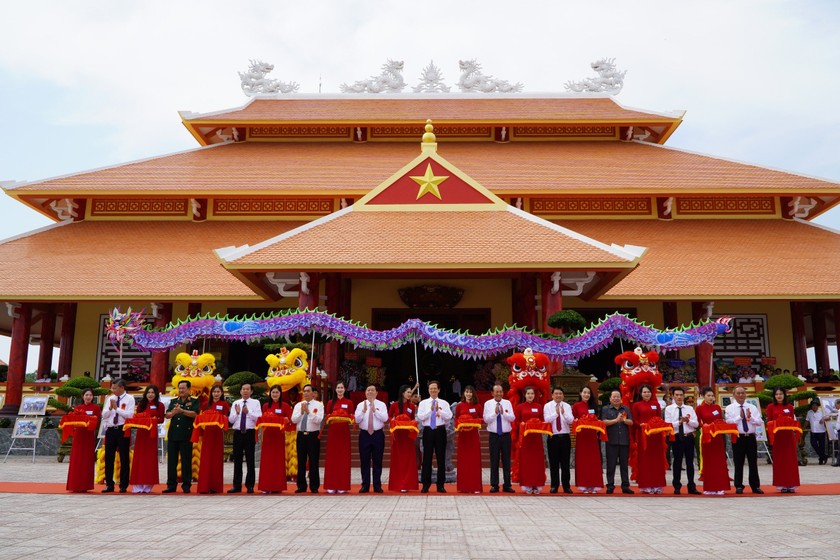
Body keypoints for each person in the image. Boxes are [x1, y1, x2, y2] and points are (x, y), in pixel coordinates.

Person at [724, 386, 764, 494]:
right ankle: (739, 485)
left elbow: (759, 422)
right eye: (738, 393)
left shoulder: (752, 407)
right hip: (738, 437)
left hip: (750, 436)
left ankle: (755, 486)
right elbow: (728, 422)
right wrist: (739, 417)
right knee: (738, 462)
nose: (741, 395)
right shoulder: (729, 408)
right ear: (734, 395)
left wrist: (750, 418)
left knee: (753, 462)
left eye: (743, 393)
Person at [163, 380, 200, 493]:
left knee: (186, 460)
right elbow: (167, 415)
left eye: (183, 388)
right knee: (172, 461)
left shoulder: (194, 401)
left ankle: (186, 484)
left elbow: (195, 414)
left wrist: (182, 411)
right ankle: (171, 485)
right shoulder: (174, 401)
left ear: (189, 389)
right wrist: (174, 412)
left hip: (186, 435)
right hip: (173, 435)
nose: (181, 390)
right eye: (180, 388)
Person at [629, 384, 667, 494]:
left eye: (648, 392)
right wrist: (641, 424)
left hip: (656, 436)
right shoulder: (637, 405)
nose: (647, 394)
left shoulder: (656, 404)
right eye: (644, 392)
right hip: (643, 435)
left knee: (657, 460)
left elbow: (659, 418)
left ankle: (657, 485)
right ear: (641, 394)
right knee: (645, 460)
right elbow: (635, 420)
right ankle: (646, 485)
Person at [417, 380, 453, 493]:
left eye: (435, 388)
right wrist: (430, 411)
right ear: (428, 390)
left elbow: (448, 417)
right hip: (428, 431)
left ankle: (440, 484)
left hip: (440, 430)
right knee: (426, 458)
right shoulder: (423, 403)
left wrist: (439, 411)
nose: (433, 390)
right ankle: (425, 484)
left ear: (439, 389)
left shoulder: (444, 403)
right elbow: (421, 417)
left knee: (441, 458)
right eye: (431, 388)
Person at [663, 386, 700, 495]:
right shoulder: (669, 409)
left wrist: (688, 421)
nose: (679, 397)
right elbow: (668, 425)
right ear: (673, 396)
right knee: (677, 462)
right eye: (677, 395)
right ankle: (677, 486)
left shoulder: (689, 408)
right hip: (677, 437)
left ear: (684, 396)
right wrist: (679, 422)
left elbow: (696, 424)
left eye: (681, 395)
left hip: (688, 436)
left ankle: (691, 486)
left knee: (690, 462)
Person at [101, 379, 135, 493]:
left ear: (121, 388)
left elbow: (129, 415)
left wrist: (117, 409)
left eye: (115, 388)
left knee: (124, 457)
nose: (113, 390)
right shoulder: (110, 398)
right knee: (109, 458)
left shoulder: (130, 399)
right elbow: (104, 415)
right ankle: (109, 484)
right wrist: (110, 408)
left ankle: (123, 485)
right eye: (112, 388)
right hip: (111, 429)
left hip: (122, 429)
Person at [226, 382, 261, 493]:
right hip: (238, 433)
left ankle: (250, 485)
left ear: (251, 391)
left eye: (247, 389)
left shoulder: (255, 403)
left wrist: (248, 412)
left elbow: (259, 418)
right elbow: (231, 420)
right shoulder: (236, 403)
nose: (245, 391)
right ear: (240, 391)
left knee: (250, 460)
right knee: (237, 460)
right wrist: (236, 413)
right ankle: (236, 485)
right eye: (243, 389)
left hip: (249, 433)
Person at [694, 386, 730, 495]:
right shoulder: (699, 408)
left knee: (719, 462)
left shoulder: (717, 407)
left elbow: (721, 420)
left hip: (718, 437)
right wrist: (705, 426)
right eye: (708, 395)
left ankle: (720, 486)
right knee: (709, 462)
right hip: (707, 437)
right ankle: (709, 487)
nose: (710, 398)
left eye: (712, 396)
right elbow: (697, 422)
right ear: (703, 396)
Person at [129, 384, 164, 493]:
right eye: (148, 392)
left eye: (152, 392)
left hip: (152, 435)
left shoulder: (160, 405)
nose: (150, 394)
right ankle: (138, 484)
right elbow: (137, 418)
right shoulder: (141, 405)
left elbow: (161, 419)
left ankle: (148, 484)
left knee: (150, 458)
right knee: (140, 458)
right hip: (141, 434)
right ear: (145, 394)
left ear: (156, 394)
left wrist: (153, 420)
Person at [65, 388, 101, 493]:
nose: (88, 397)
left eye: (90, 395)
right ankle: (74, 484)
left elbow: (96, 421)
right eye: (86, 395)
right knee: (77, 459)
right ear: (82, 396)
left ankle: (85, 485)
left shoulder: (96, 408)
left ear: (93, 397)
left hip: (89, 436)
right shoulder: (78, 408)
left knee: (86, 460)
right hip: (79, 436)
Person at [765, 387, 800, 493]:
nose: (779, 396)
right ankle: (782, 484)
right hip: (777, 436)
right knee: (780, 460)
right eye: (776, 394)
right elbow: (769, 422)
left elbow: (793, 420)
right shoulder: (770, 407)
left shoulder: (789, 407)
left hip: (788, 436)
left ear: (784, 395)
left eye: (780, 394)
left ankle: (791, 483)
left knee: (790, 459)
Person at [197, 383, 230, 494]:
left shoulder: (224, 405)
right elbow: (200, 418)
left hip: (217, 434)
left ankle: (215, 486)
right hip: (207, 434)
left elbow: (227, 419)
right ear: (211, 393)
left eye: (218, 392)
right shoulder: (205, 404)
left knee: (216, 460)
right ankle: (204, 486)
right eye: (214, 392)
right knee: (206, 459)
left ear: (221, 393)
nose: (216, 394)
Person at [291, 384, 324, 493]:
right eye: (304, 391)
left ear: (313, 393)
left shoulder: (318, 405)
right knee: (301, 461)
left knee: (313, 461)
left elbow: (318, 420)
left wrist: (309, 412)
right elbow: (294, 420)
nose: (305, 393)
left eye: (308, 391)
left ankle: (314, 486)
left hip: (313, 435)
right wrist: (301, 412)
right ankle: (301, 486)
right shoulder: (298, 405)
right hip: (301, 435)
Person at [355, 384, 388, 493]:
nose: (370, 392)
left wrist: (375, 410)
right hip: (364, 435)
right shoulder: (360, 405)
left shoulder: (381, 404)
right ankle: (365, 485)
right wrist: (363, 411)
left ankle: (377, 485)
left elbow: (385, 418)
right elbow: (357, 420)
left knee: (377, 460)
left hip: (377, 434)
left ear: (376, 393)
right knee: (364, 461)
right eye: (368, 390)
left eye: (372, 390)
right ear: (365, 392)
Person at [483, 383, 515, 493]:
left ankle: (507, 484)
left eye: (500, 391)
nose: (499, 393)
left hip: (506, 435)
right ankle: (494, 485)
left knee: (506, 460)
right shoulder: (488, 404)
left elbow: (512, 418)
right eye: (496, 391)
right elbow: (486, 419)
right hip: (494, 435)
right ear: (492, 393)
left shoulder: (507, 403)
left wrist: (503, 414)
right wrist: (494, 413)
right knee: (494, 460)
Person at [258, 385, 290, 493]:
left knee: (278, 461)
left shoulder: (285, 406)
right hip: (268, 436)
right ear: (270, 394)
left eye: (277, 392)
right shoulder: (266, 406)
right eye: (273, 392)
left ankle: (277, 486)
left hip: (279, 436)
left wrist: (284, 420)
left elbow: (289, 420)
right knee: (267, 461)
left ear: (280, 394)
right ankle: (265, 485)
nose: (275, 394)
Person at [571, 386, 603, 493]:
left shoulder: (594, 405)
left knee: (593, 460)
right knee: (583, 460)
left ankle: (594, 485)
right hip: (582, 436)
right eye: (584, 392)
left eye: (588, 393)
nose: (586, 395)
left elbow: (598, 419)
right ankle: (583, 485)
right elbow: (573, 420)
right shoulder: (576, 406)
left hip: (592, 436)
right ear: (580, 393)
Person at [514, 386, 546, 494]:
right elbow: (516, 422)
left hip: (536, 438)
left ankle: (536, 485)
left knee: (537, 461)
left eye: (532, 393)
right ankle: (527, 484)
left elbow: (542, 421)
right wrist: (523, 424)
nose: (530, 396)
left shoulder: (538, 407)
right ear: (525, 395)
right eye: (528, 394)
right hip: (525, 438)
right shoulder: (520, 407)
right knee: (526, 462)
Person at [602, 389, 634, 494]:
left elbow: (631, 422)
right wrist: (616, 420)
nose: (616, 399)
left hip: (624, 441)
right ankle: (610, 485)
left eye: (618, 397)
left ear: (621, 398)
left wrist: (624, 420)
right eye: (614, 397)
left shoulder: (626, 409)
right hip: (611, 441)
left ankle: (625, 486)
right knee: (611, 465)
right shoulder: (606, 409)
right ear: (610, 398)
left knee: (624, 465)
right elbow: (603, 422)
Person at [542, 387, 574, 494]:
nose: (558, 395)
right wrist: (556, 413)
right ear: (552, 395)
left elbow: (571, 421)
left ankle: (566, 486)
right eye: (556, 393)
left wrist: (564, 413)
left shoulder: (567, 406)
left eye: (560, 393)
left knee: (565, 463)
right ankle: (554, 485)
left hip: (565, 437)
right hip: (553, 437)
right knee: (554, 463)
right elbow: (546, 420)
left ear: (563, 395)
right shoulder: (548, 406)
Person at [388, 384, 419, 492]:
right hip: (398, 436)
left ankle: (407, 484)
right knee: (398, 460)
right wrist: (394, 421)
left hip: (408, 437)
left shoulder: (412, 407)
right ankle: (398, 484)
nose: (410, 394)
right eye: (408, 392)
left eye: (411, 392)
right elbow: (389, 417)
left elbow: (413, 419)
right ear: (402, 393)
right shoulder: (394, 405)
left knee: (408, 460)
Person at [324, 381, 353, 494]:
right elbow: (327, 416)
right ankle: (331, 484)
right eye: (338, 388)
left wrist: (347, 416)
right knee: (332, 458)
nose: (340, 390)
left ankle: (342, 485)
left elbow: (352, 415)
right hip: (333, 432)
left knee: (343, 458)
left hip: (344, 432)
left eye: (342, 388)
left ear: (344, 390)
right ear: (335, 390)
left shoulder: (349, 402)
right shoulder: (331, 402)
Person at [454, 385, 483, 493]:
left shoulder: (478, 406)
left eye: (470, 392)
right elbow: (456, 419)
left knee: (474, 461)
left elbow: (481, 419)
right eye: (466, 392)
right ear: (464, 393)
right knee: (463, 461)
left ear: (473, 394)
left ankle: (475, 487)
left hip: (473, 435)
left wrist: (472, 421)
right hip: (463, 436)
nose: (468, 394)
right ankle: (464, 486)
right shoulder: (459, 406)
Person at [805, 400, 828, 465]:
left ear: (818, 406)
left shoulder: (822, 411)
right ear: (811, 406)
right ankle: (824, 456)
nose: (814, 406)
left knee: (821, 446)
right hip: (813, 431)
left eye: (816, 405)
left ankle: (821, 460)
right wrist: (803, 428)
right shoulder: (809, 412)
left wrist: (824, 419)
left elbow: (828, 417)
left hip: (821, 431)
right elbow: (807, 420)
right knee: (813, 444)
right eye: (813, 405)